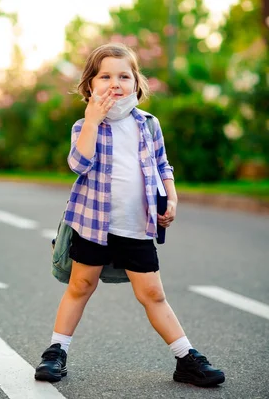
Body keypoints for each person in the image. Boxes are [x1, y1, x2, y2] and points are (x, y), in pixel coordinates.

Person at [34, 43, 225, 388]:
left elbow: (163, 165)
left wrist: (172, 196)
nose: (115, 83)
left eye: (124, 75)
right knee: (80, 286)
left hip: (136, 226)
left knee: (152, 294)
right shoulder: (84, 126)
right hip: (92, 225)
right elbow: (79, 164)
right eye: (105, 76)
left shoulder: (148, 125)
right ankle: (56, 351)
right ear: (90, 85)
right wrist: (92, 120)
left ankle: (186, 358)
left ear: (137, 82)